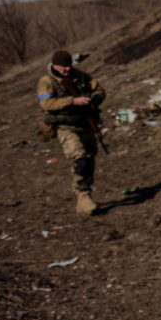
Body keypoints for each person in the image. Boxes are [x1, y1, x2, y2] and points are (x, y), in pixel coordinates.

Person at [37, 50, 106, 215]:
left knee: (89, 160)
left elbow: (99, 90)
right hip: (65, 127)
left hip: (86, 124)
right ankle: (82, 196)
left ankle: (85, 196)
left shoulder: (81, 76)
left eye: (69, 66)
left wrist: (93, 101)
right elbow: (46, 103)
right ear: (54, 65)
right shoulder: (47, 81)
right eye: (63, 67)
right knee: (80, 158)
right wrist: (72, 101)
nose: (67, 70)